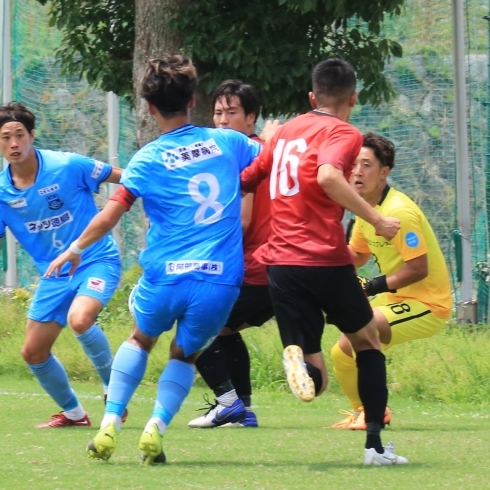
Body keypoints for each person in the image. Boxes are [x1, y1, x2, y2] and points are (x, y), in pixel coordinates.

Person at [45, 55, 262, 465]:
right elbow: (268, 155)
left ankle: (111, 422)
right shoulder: (229, 142)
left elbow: (110, 213)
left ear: (149, 108)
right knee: (185, 355)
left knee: (140, 340)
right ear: (193, 99)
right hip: (218, 281)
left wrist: (74, 250)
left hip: (166, 278)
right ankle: (156, 427)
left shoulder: (145, 160)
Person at [240, 59, 409, 465]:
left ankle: (299, 360)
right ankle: (375, 447)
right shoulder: (343, 131)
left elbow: (247, 179)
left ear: (312, 97)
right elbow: (329, 176)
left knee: (318, 375)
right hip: (324, 257)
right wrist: (377, 219)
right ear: (354, 97)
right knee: (367, 341)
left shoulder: (284, 133)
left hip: (280, 263)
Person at [0, 102, 123, 428]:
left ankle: (116, 391)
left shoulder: (67, 165)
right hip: (55, 275)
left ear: (32, 135)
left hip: (96, 259)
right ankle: (73, 413)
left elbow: (128, 180)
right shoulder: (1, 192)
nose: (13, 144)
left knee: (80, 319)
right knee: (32, 352)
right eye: (5, 137)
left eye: (19, 135)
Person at [328, 132, 452, 430]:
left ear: (384, 172)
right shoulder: (364, 210)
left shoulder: (399, 212)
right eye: (354, 163)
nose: (357, 171)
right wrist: (319, 252)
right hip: (395, 299)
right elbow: (357, 254)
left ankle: (374, 412)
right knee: (340, 351)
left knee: (359, 335)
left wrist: (370, 287)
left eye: (367, 165)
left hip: (427, 303)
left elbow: (418, 268)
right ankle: (366, 411)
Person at [188, 80, 275, 429]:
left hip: (254, 270)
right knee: (223, 331)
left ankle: (228, 403)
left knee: (193, 326)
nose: (222, 121)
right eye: (218, 112)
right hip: (271, 271)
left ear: (251, 119)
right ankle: (241, 409)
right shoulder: (256, 150)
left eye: (232, 113)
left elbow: (242, 220)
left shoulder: (244, 156)